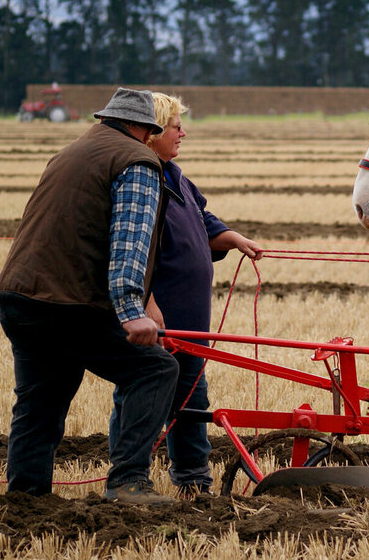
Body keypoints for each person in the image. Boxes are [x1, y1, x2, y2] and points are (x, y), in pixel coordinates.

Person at [0, 87, 179, 505]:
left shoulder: (70, 152)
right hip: (68, 303)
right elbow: (128, 242)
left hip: (21, 297)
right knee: (155, 370)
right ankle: (128, 482)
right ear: (143, 128)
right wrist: (133, 311)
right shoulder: (137, 160)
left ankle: (26, 499)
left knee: (40, 401)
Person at [110, 92, 263, 497]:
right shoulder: (142, 181)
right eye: (176, 126)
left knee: (192, 397)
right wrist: (147, 304)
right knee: (140, 394)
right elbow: (131, 251)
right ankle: (128, 477)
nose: (183, 132)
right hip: (157, 318)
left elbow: (204, 219)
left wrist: (234, 238)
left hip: (193, 321)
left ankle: (193, 480)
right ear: (151, 134)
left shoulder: (176, 176)